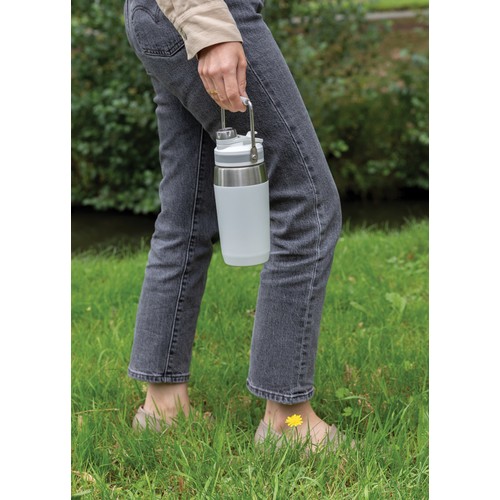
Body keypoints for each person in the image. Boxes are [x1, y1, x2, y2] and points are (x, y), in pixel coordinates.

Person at [124, 0, 349, 451]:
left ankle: (162, 408)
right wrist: (211, 30)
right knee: (306, 202)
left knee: (186, 212)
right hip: (207, 14)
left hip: (160, 15)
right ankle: (288, 423)